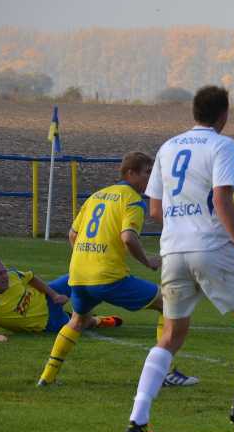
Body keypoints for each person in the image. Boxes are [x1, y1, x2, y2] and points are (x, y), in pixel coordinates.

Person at [124, 85, 234, 432]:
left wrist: (183, 227)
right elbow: (222, 198)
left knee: (171, 335)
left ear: (194, 112)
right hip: (211, 247)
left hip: (173, 250)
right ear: (224, 115)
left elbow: (156, 209)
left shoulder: (167, 146)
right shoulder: (223, 145)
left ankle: (138, 418)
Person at [38, 152, 198, 388]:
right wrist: (148, 262)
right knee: (169, 303)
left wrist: (88, 257)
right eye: (147, 173)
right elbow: (129, 238)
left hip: (79, 274)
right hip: (108, 276)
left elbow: (73, 234)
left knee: (77, 321)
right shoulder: (132, 200)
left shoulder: (96, 196)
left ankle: (47, 377)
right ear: (130, 173)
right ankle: (163, 373)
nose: (150, 178)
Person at [0, 257, 121, 343]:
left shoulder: (13, 275)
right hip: (48, 322)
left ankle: (115, 286)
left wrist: (54, 295)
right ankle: (99, 321)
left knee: (79, 276)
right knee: (80, 323)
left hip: (48, 296)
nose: (5, 276)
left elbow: (31, 278)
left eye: (4, 271)